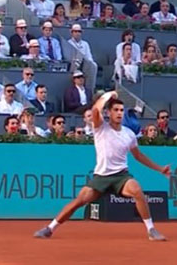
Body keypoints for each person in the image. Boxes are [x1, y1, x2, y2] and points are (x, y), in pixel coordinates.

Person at [33, 91, 169, 241]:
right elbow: (95, 110)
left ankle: (151, 230)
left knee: (137, 190)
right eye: (116, 110)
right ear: (109, 113)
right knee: (78, 202)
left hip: (121, 176)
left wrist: (160, 168)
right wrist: (108, 94)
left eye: (121, 110)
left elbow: (138, 156)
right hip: (101, 177)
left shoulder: (129, 134)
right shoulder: (100, 127)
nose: (119, 113)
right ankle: (50, 228)